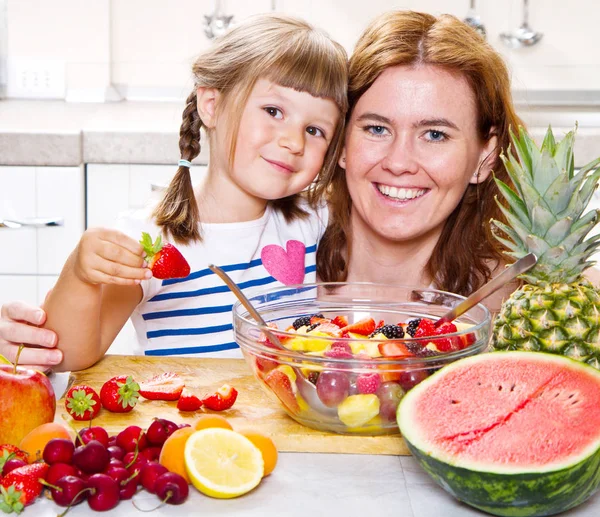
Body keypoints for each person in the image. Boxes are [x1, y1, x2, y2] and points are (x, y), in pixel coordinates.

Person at [32, 13, 347, 371]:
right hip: (186, 427)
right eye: (273, 111)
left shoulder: (315, 222)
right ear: (211, 105)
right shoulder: (150, 241)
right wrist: (80, 273)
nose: (293, 141)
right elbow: (70, 355)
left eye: (315, 130)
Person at [314, 10, 524, 309]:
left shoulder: (520, 302)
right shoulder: (271, 269)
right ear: (342, 141)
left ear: (486, 157)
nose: (398, 163)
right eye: (377, 129)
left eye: (435, 135)